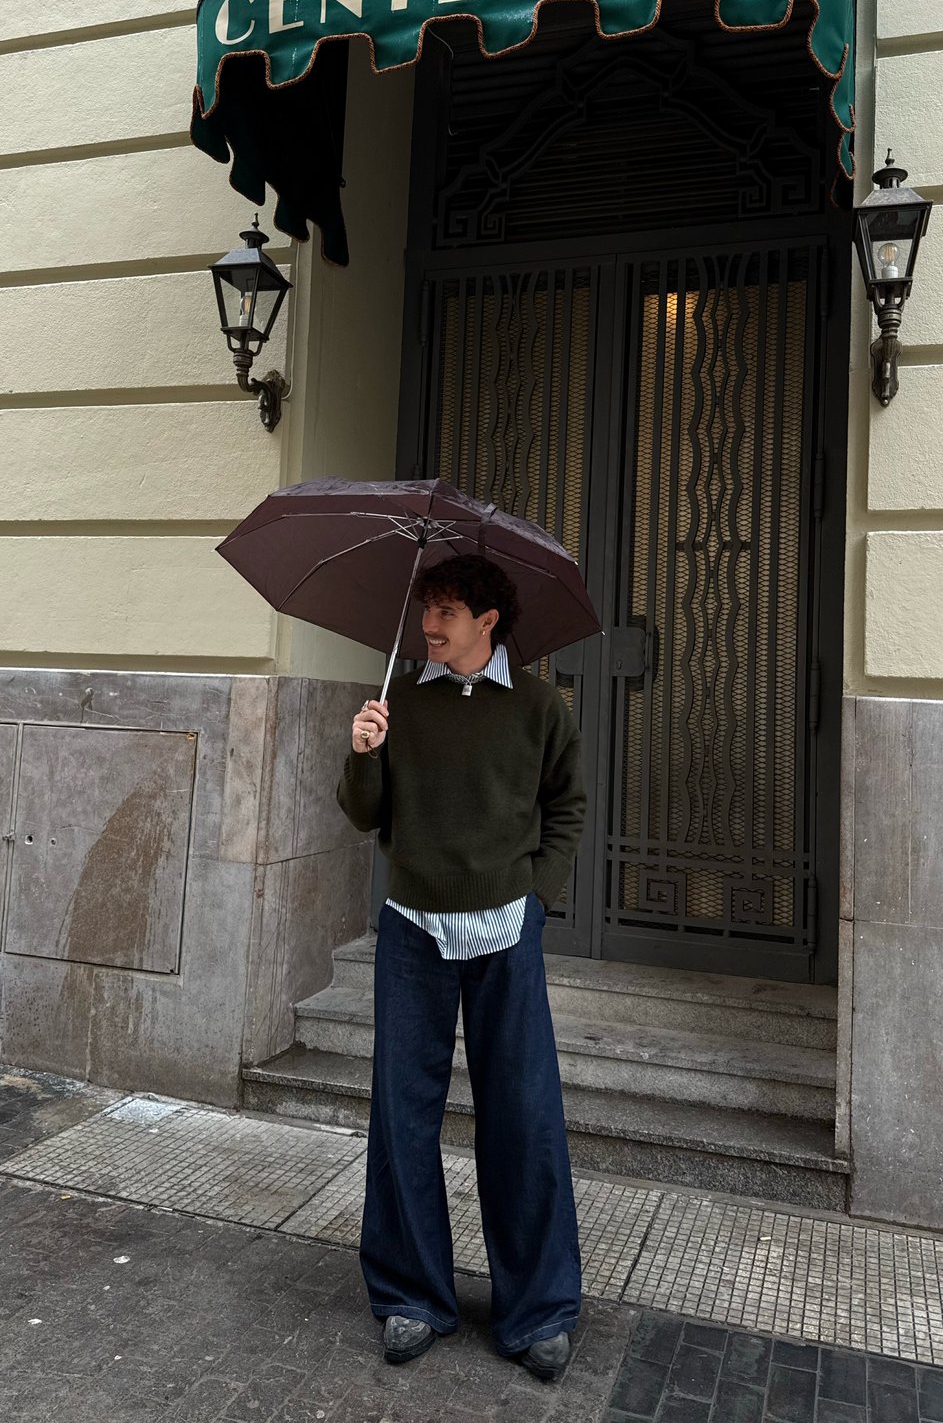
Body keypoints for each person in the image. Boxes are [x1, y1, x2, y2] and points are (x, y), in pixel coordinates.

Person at [336, 553, 586, 1382]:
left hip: (506, 929)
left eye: (445, 611)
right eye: (426, 609)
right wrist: (364, 752)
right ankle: (413, 1294)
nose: (428, 625)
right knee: (402, 1114)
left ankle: (539, 1309)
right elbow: (365, 813)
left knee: (522, 1115)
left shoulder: (541, 706)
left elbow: (568, 804)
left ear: (488, 619)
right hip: (412, 928)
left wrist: (537, 896)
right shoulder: (400, 697)